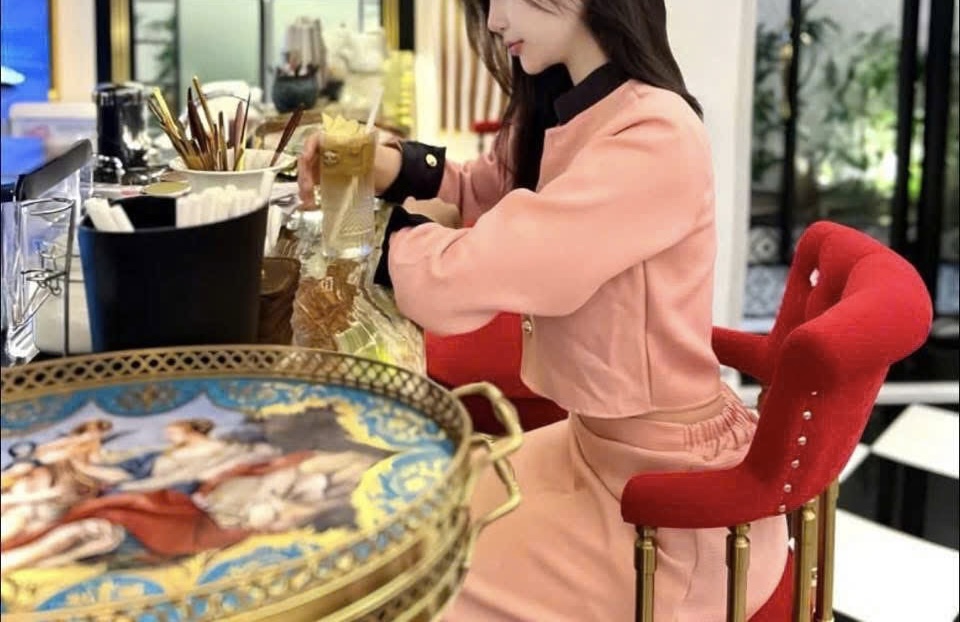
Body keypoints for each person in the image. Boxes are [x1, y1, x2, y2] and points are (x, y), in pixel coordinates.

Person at [298, 0, 788, 619]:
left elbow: (483, 267)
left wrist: (368, 237)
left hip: (666, 510)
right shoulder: (578, 108)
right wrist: (390, 165)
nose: (494, 21)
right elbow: (486, 184)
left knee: (412, 572)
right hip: (596, 452)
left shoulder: (654, 136)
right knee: (400, 512)